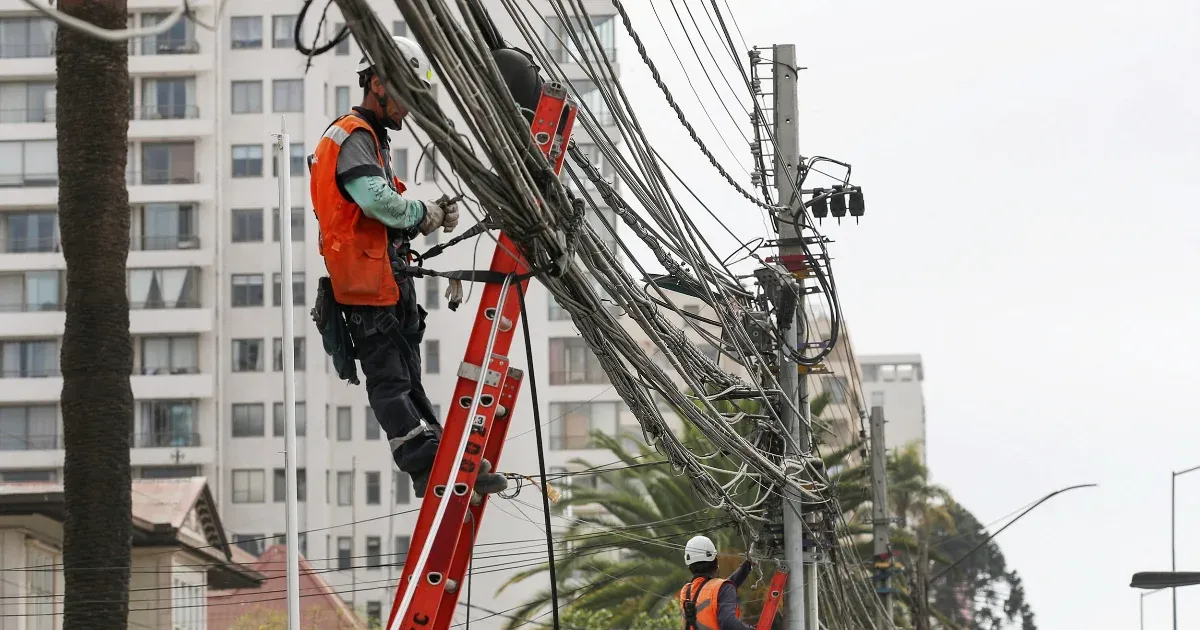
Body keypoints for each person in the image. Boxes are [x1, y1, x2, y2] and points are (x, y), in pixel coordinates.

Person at [308, 35, 508, 500]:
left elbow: (387, 212)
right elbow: (381, 204)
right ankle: (424, 460)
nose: (409, 107)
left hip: (384, 282)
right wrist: (422, 214)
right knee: (390, 380)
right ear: (376, 82)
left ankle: (439, 457)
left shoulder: (372, 141)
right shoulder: (352, 135)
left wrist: (427, 211)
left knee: (407, 377)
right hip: (367, 289)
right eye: (405, 92)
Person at [679, 535, 754, 630]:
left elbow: (720, 589)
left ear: (690, 567)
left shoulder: (686, 591)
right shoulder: (722, 588)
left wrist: (748, 564)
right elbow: (728, 623)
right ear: (715, 562)